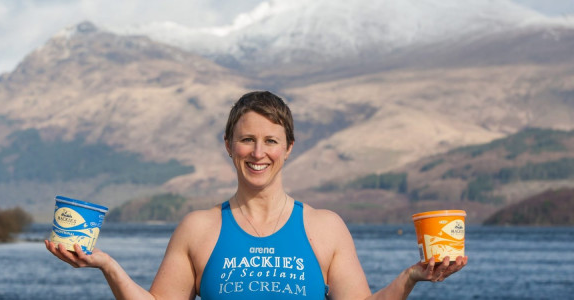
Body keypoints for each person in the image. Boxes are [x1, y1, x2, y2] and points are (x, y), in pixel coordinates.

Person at [46, 91, 467, 299]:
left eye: (271, 141)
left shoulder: (325, 227)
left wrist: (412, 277)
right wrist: (108, 267)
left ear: (288, 148)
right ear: (229, 145)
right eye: (247, 140)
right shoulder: (199, 228)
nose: (258, 152)